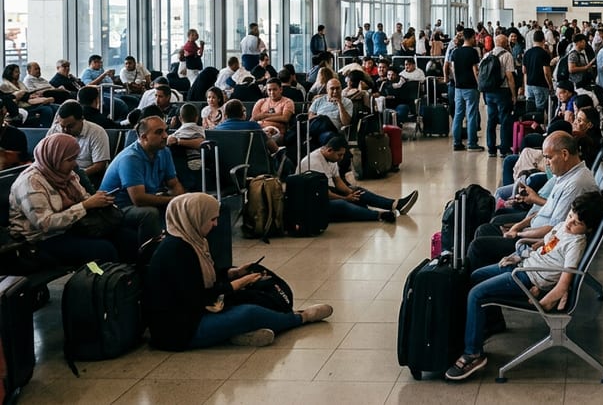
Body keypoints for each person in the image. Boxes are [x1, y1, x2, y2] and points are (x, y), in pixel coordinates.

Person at [444, 191, 603, 381]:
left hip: (525, 279)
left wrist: (543, 304)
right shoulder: (565, 227)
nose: (570, 222)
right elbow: (547, 245)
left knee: (476, 294)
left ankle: (474, 354)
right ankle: (483, 325)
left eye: (577, 223)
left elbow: (564, 284)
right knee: (475, 276)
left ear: (588, 229)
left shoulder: (576, 244)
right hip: (522, 266)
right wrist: (524, 251)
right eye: (571, 215)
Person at [144, 193, 334, 349]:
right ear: (195, 217)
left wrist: (233, 273)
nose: (215, 224)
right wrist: (239, 284)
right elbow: (200, 297)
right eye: (212, 219)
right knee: (248, 313)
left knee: (245, 304)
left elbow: (202, 278)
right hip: (180, 331)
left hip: (194, 315)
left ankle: (236, 334)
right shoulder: (176, 251)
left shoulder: (191, 241)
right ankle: (300, 317)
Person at [466, 132, 598, 268]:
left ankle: (480, 279)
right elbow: (545, 210)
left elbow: (553, 229)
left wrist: (518, 233)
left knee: (478, 246)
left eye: (548, 158)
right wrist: (518, 226)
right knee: (483, 230)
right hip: (531, 231)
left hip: (534, 242)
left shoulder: (576, 184)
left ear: (564, 154)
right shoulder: (565, 175)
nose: (546, 163)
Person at [8, 133, 136, 265]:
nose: (75, 163)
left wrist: (99, 201)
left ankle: (128, 278)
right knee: (103, 249)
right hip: (40, 239)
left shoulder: (65, 174)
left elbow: (84, 197)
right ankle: (105, 282)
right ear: (55, 158)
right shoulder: (31, 182)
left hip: (71, 228)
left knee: (126, 236)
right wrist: (85, 206)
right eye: (70, 159)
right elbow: (45, 224)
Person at [98, 116, 187, 243]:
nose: (165, 135)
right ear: (144, 137)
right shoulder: (130, 158)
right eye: (159, 132)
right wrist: (173, 200)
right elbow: (138, 199)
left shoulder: (164, 151)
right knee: (149, 213)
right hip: (115, 208)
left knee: (187, 204)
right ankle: (148, 256)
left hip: (141, 199)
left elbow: (174, 183)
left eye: (165, 130)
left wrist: (181, 201)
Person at [297, 137, 417, 222]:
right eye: (339, 155)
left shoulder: (331, 158)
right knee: (342, 204)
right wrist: (345, 198)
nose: (341, 158)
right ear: (329, 150)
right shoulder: (313, 162)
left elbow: (338, 181)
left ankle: (395, 204)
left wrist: (351, 193)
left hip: (328, 191)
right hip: (314, 200)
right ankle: (379, 215)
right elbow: (323, 193)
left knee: (358, 191)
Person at [48, 100, 112, 185]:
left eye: (70, 126)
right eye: (62, 126)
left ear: (81, 119)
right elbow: (47, 157)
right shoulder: (55, 130)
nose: (65, 130)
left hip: (87, 175)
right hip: (59, 175)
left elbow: (100, 165)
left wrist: (77, 175)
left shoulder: (97, 132)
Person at [482, 34, 518, 157]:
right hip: (502, 92)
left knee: (491, 120)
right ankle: (504, 149)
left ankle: (491, 148)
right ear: (505, 43)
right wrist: (514, 95)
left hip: (489, 92)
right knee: (504, 120)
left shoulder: (487, 55)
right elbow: (510, 77)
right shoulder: (507, 55)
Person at [449, 27, 482, 152]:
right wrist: (480, 85)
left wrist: (457, 83)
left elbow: (453, 70)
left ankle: (457, 143)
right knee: (471, 115)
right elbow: (475, 71)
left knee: (458, 115)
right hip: (471, 87)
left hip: (458, 88)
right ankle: (472, 143)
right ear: (472, 37)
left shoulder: (455, 52)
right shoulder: (473, 52)